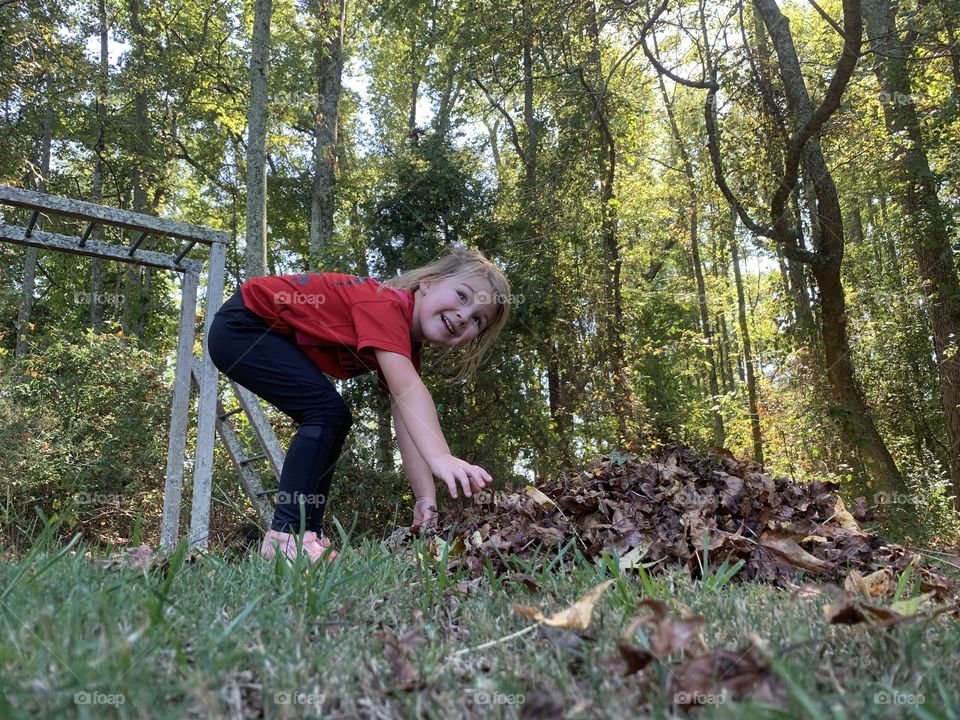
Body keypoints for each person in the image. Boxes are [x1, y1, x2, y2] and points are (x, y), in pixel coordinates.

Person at [207, 247, 511, 563]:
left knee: (333, 416)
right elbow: (408, 390)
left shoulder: (404, 341)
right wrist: (442, 456)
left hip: (251, 330)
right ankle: (286, 534)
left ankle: (308, 536)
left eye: (478, 319)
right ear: (429, 283)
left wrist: (425, 495)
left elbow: (407, 420)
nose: (465, 316)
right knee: (325, 412)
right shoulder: (387, 303)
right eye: (463, 296)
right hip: (244, 326)